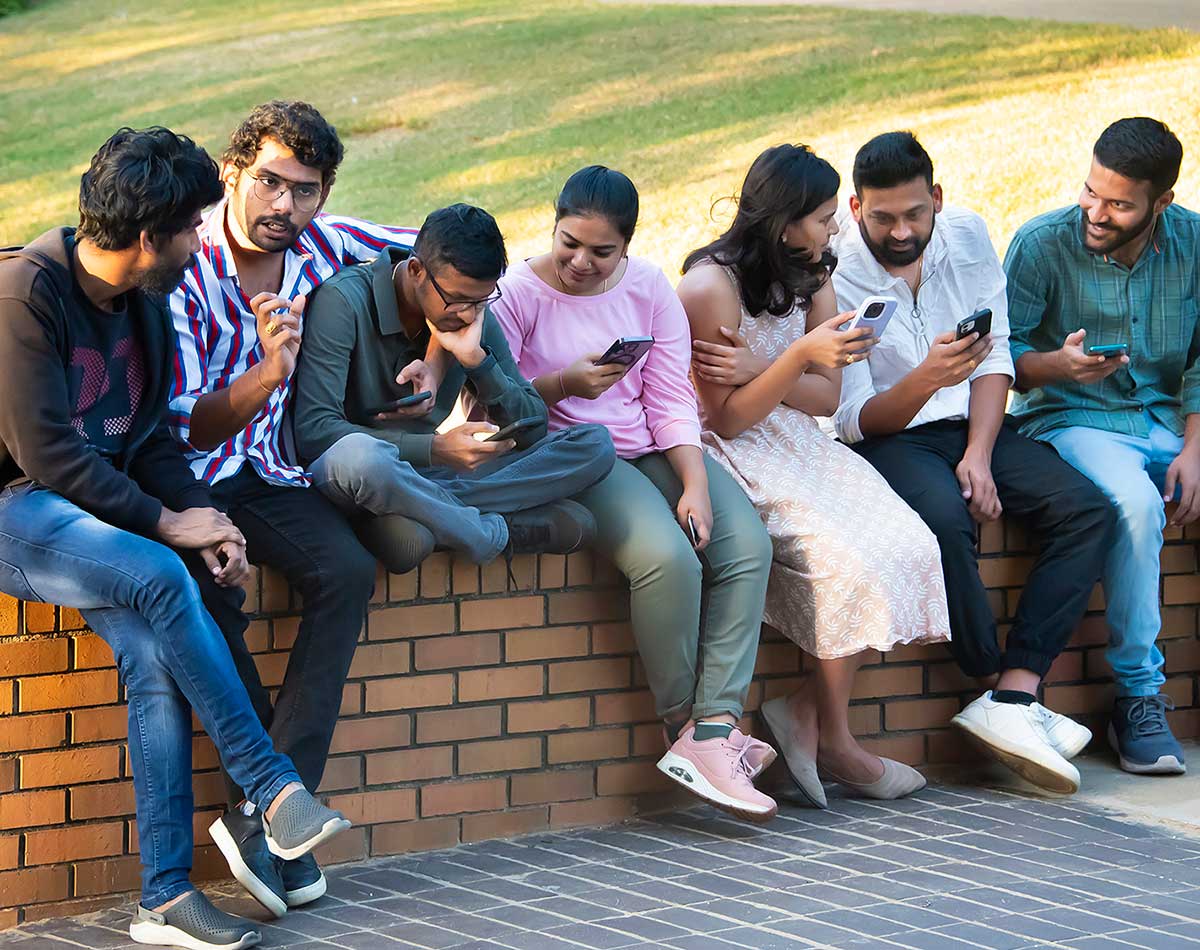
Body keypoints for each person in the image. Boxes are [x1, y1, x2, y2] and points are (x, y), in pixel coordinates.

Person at [0, 128, 349, 950]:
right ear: (149, 237)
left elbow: (152, 439)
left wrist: (207, 521)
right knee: (163, 572)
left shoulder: (146, 304)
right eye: (192, 227)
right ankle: (268, 784)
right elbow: (46, 453)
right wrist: (167, 526)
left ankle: (162, 896)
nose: (203, 240)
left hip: (98, 516)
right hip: (18, 507)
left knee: (155, 658)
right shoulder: (27, 295)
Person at [167, 100, 412, 915]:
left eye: (304, 190)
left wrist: (449, 350)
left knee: (346, 569)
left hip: (273, 472)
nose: (284, 207)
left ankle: (268, 822)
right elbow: (189, 423)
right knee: (209, 592)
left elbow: (438, 257)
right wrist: (269, 374)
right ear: (232, 172)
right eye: (269, 182)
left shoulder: (326, 242)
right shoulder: (186, 268)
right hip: (192, 478)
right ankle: (277, 807)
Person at [830, 131, 1117, 795]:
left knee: (1086, 510)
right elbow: (854, 419)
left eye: (913, 214)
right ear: (853, 207)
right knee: (946, 522)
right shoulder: (837, 273)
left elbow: (995, 353)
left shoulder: (966, 234)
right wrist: (929, 376)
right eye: (881, 218)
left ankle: (1016, 694)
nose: (901, 231)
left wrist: (981, 455)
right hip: (891, 436)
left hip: (975, 425)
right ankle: (994, 688)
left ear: (936, 198)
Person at [493, 165, 778, 822]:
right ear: (553, 222)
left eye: (602, 252)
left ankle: (712, 729)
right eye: (570, 243)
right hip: (570, 451)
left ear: (628, 245)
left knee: (745, 546)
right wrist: (564, 382)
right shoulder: (516, 295)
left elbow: (672, 395)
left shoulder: (650, 287)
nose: (581, 262)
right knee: (667, 559)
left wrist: (696, 485)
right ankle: (685, 725)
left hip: (653, 444)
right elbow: (494, 404)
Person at [678, 144, 950, 806]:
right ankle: (837, 740)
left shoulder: (812, 271)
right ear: (783, 219)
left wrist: (769, 370)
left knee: (912, 544)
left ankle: (803, 712)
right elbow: (731, 419)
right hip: (736, 451)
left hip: (803, 440)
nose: (835, 231)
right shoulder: (708, 288)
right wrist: (794, 356)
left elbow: (827, 398)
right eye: (825, 217)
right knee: (849, 563)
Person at [1005, 117, 1195, 776]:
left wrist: (1194, 448)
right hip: (1075, 417)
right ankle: (1139, 700)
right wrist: (1058, 365)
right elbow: (1003, 359)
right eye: (1091, 191)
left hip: (1169, 419)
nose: (1096, 210)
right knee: (1136, 506)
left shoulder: (1193, 243)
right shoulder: (1040, 243)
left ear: (1159, 204)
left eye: (1118, 203)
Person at [291, 203, 615, 562]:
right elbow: (315, 431)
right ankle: (491, 534)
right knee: (364, 459)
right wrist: (433, 448)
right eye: (456, 299)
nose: (467, 313)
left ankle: (430, 510)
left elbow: (533, 429)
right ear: (416, 271)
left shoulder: (472, 309)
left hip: (433, 475)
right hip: (356, 474)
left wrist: (477, 362)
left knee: (594, 444)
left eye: (480, 301)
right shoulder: (344, 302)